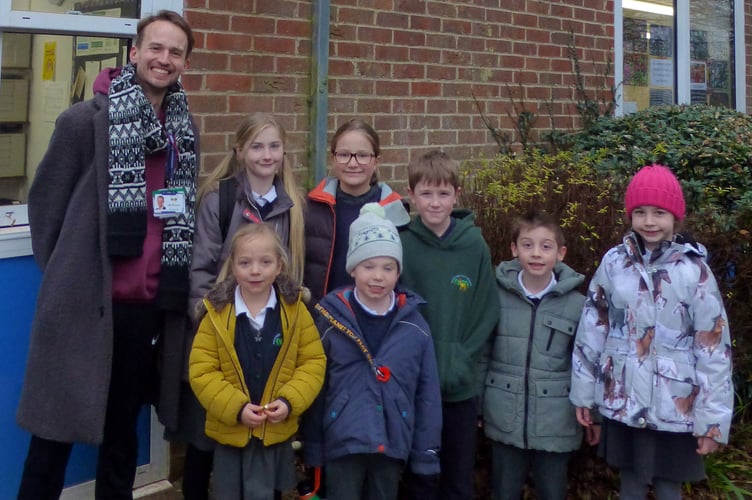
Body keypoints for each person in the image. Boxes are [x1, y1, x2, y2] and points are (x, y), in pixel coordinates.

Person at [15, 10, 198, 499]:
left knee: (122, 438)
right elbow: (46, 207)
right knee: (53, 433)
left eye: (175, 52)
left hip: (146, 309)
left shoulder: (183, 131)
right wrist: (69, 272)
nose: (164, 59)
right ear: (135, 52)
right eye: (155, 48)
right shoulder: (83, 121)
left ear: (183, 64)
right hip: (85, 305)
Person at [570, 164, 734, 499]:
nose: (649, 222)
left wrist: (712, 422)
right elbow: (593, 328)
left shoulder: (694, 272)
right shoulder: (614, 264)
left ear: (675, 218)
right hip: (624, 400)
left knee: (668, 487)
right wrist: (584, 393)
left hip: (674, 407)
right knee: (629, 483)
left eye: (659, 213)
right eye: (640, 212)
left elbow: (714, 350)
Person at [174, 112, 306, 499]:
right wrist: (211, 322)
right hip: (222, 331)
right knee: (207, 431)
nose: (267, 154)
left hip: (268, 334)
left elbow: (292, 273)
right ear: (239, 150)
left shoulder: (293, 205)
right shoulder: (221, 198)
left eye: (274, 146)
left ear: (284, 151)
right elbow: (200, 269)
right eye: (257, 146)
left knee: (262, 432)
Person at [303, 203, 442, 500]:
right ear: (353, 268)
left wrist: (425, 453)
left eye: (388, 267)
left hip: (392, 441)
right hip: (342, 441)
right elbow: (315, 386)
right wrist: (312, 446)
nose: (378, 276)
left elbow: (427, 393)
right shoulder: (330, 321)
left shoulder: (414, 327)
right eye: (369, 266)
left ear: (398, 272)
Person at [189, 223, 325, 500]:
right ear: (233, 266)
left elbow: (312, 362)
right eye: (245, 262)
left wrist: (289, 402)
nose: (255, 270)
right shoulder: (215, 315)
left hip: (274, 432)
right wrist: (236, 408)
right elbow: (202, 372)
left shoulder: (295, 311)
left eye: (265, 262)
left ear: (279, 266)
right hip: (232, 431)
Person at [399, 150, 499, 500]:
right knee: (417, 478)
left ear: (457, 194)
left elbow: (485, 311)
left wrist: (460, 357)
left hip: (459, 387)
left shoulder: (473, 245)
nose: (435, 202)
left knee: (457, 478)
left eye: (443, 193)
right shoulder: (402, 244)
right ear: (412, 195)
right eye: (426, 193)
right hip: (413, 386)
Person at [483, 210, 586, 500]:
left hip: (557, 422)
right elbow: (483, 353)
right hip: (503, 415)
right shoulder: (495, 297)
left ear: (561, 253)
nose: (536, 254)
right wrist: (478, 405)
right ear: (514, 249)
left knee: (552, 491)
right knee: (504, 491)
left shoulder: (577, 305)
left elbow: (588, 364)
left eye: (546, 246)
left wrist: (595, 416)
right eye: (527, 245)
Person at [304, 118, 410, 306]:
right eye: (344, 154)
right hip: (323, 316)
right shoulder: (313, 208)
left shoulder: (394, 211)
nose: (353, 163)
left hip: (376, 317)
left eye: (362, 155)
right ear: (333, 158)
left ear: (376, 161)